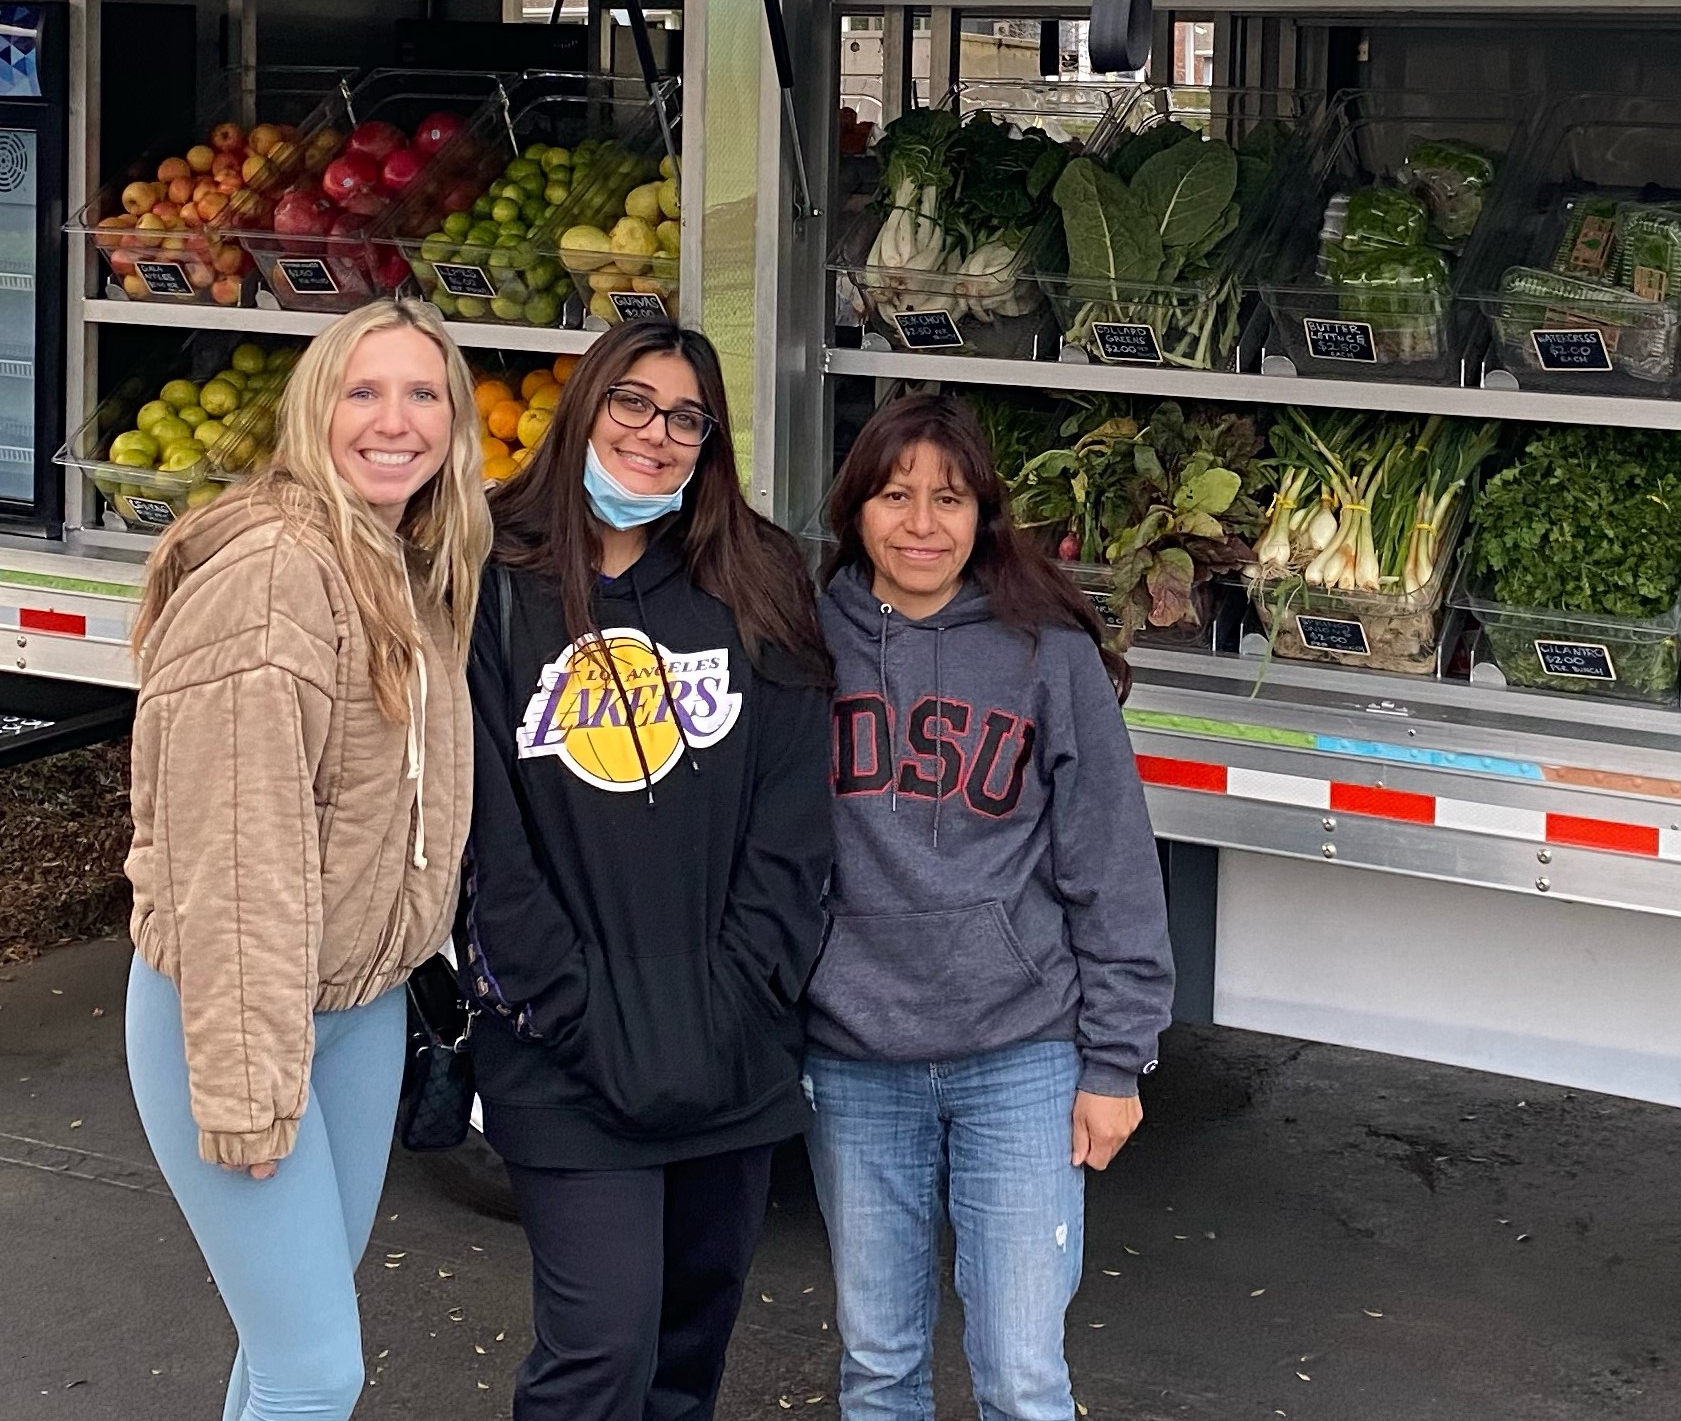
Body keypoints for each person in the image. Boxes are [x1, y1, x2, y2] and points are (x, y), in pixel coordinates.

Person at [122, 295, 490, 1421]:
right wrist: (247, 1083)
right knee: (316, 1367)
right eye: (362, 391)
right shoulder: (276, 573)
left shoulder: (400, 561)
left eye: (423, 392)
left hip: (359, 1008)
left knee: (289, 1342)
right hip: (240, 1014)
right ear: (312, 412)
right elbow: (236, 855)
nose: (396, 419)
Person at [463, 319, 834, 1421]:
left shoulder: (757, 579)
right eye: (631, 402)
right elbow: (489, 840)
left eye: (685, 416)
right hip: (563, 1050)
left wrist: (739, 1000)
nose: (656, 434)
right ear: (582, 408)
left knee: (687, 1352)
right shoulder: (485, 582)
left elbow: (793, 825)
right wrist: (571, 1009)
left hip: (732, 1045)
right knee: (602, 1352)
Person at [806, 392, 1174, 1421]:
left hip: (1021, 1053)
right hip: (852, 1051)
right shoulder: (801, 640)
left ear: (984, 515)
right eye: (895, 495)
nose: (922, 523)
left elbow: (1113, 864)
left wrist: (1117, 1060)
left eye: (950, 498)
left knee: (1020, 1372)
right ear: (856, 508)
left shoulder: (1045, 654)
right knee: (879, 1367)